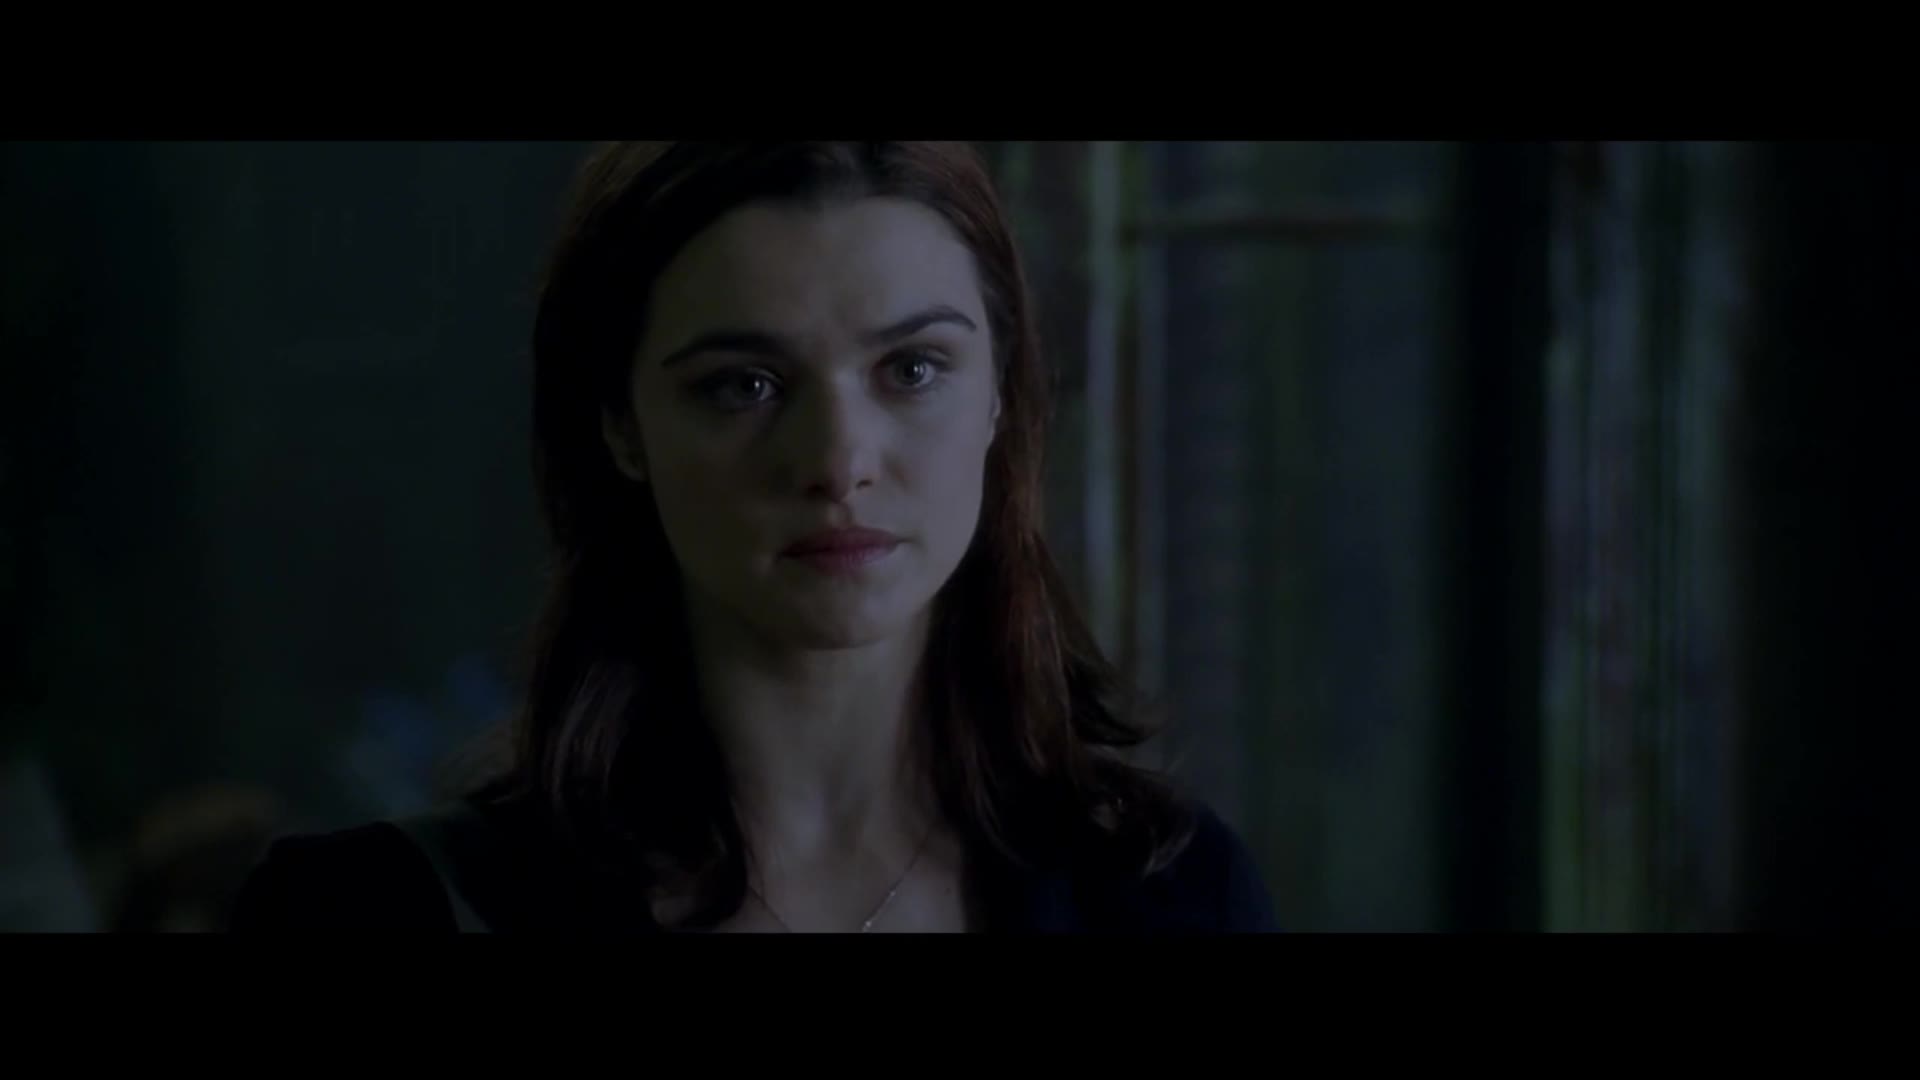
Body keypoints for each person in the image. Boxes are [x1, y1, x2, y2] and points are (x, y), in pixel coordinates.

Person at [230, 142, 1279, 933]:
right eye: (745, 385)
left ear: (1000, 395)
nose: (837, 459)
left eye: (912, 369)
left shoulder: (1172, 897)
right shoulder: (368, 912)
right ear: (621, 425)